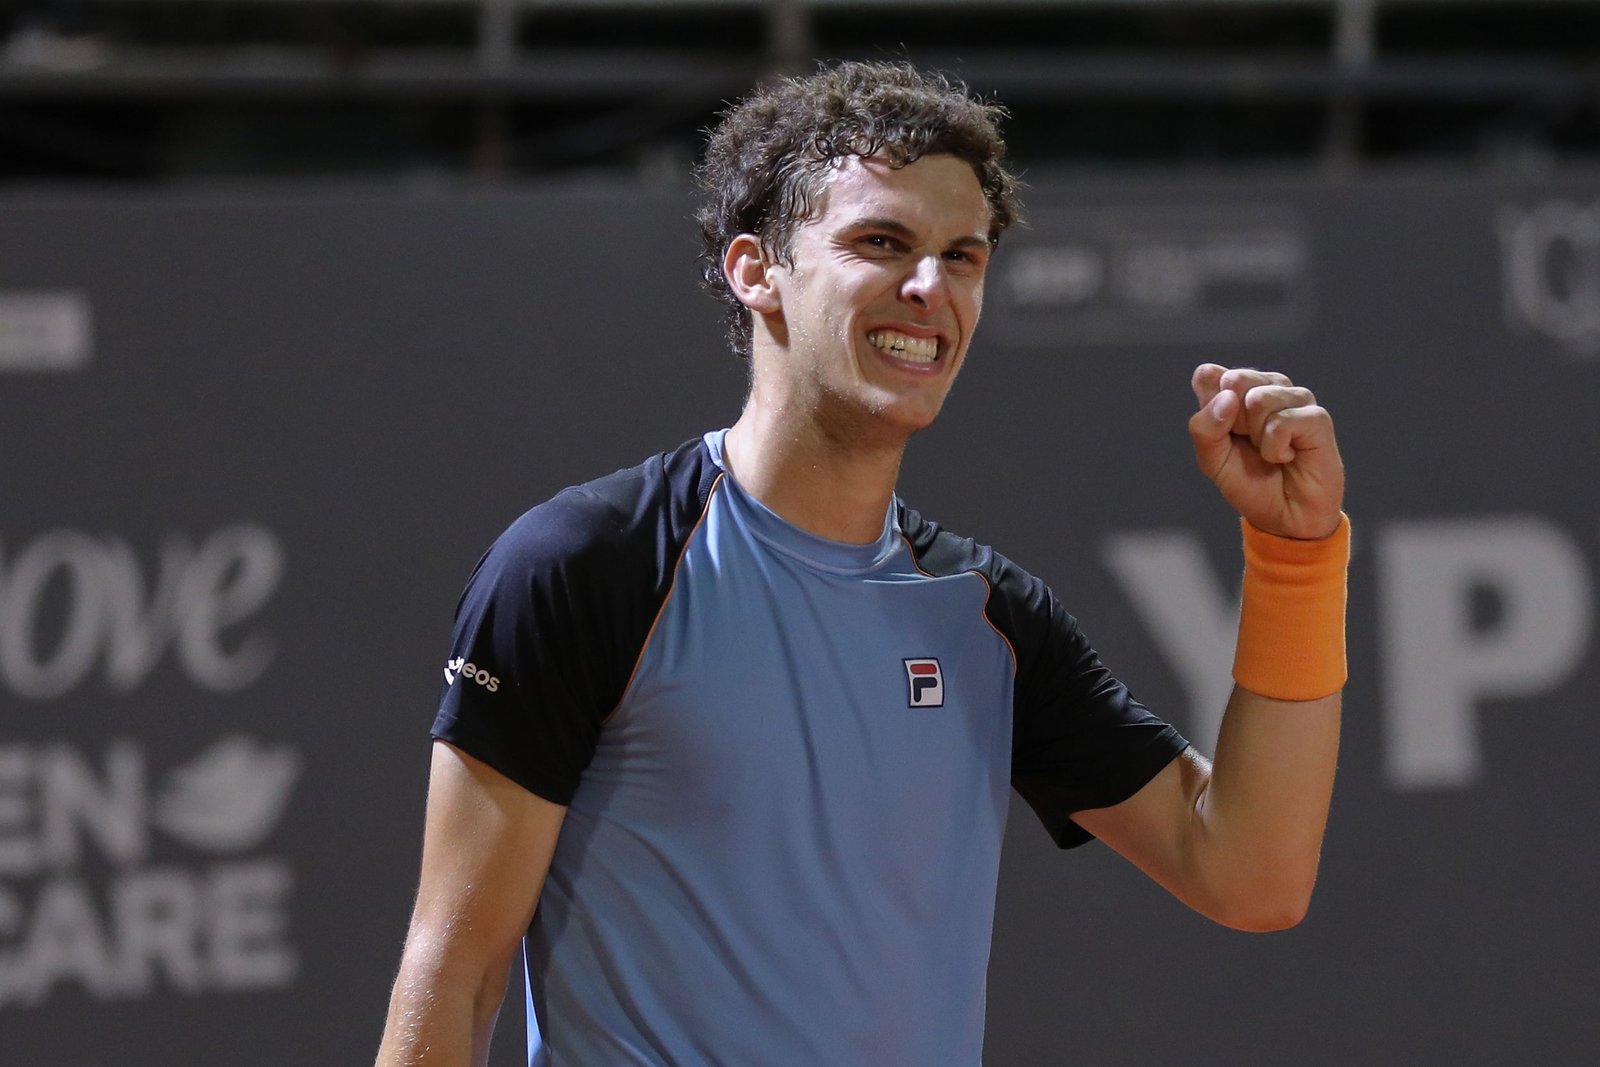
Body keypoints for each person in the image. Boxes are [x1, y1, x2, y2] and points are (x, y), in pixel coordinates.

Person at [375, 60, 1347, 1067]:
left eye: (961, 257)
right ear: (757, 270)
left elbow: (1249, 872)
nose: (930, 289)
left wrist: (1296, 558)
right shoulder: (585, 566)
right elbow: (456, 973)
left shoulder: (988, 619)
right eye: (881, 242)